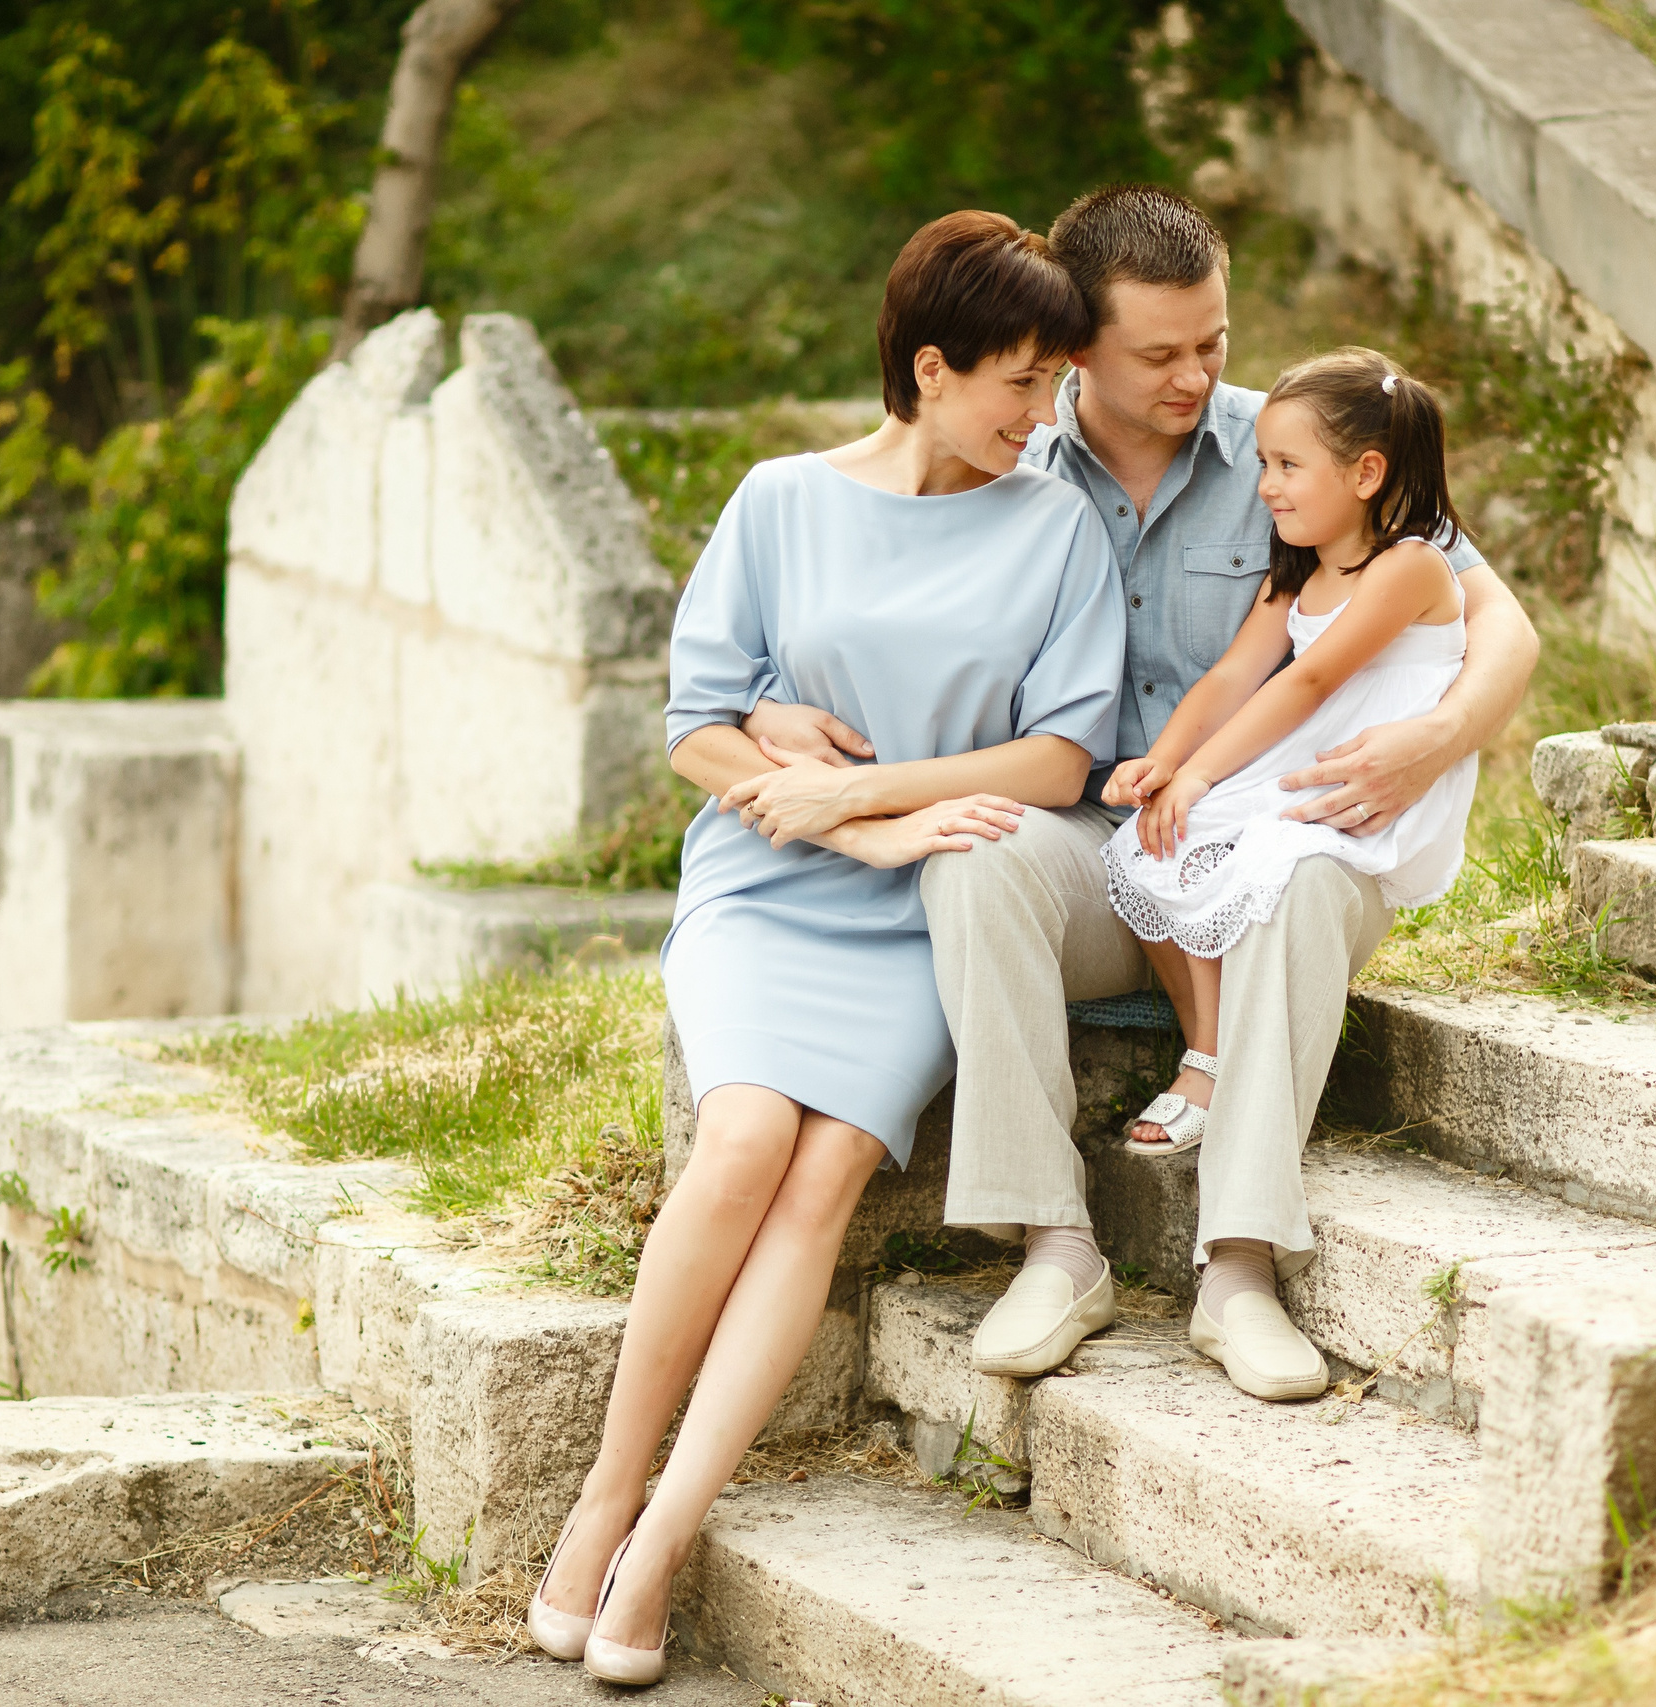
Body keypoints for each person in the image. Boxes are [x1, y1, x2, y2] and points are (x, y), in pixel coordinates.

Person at [747, 185, 1539, 1404]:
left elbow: (1496, 618)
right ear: (1075, 349)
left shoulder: (1294, 448)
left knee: (1307, 874)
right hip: (1096, 847)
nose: (1194, 374)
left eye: (1211, 341)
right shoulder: (996, 456)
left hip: (1276, 831)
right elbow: (846, 600)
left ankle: (1239, 1269)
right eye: (1158, 354)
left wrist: (1436, 737)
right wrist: (759, 712)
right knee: (978, 856)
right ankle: (1053, 1246)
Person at [526, 210, 1124, 1686]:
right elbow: (700, 729)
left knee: (823, 1168)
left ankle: (662, 1535)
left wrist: (871, 799)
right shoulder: (780, 499)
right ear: (930, 367)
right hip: (771, 881)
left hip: (932, 896)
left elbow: (1059, 760)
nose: (1040, 417)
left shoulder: (1057, 524)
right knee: (739, 1145)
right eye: (1019, 384)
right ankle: (602, 1492)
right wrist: (846, 828)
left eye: (1051, 387)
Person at [1098, 346, 1480, 1395]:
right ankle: (1212, 1054)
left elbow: (1311, 680)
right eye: (1262, 464)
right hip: (1291, 777)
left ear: (1363, 474)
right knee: (1147, 850)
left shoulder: (1411, 565)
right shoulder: (1296, 567)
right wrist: (1167, 767)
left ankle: (1240, 1262)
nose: (1262, 488)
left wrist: (1208, 770)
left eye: (1284, 467)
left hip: (1354, 802)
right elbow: (1236, 672)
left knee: (1283, 859)